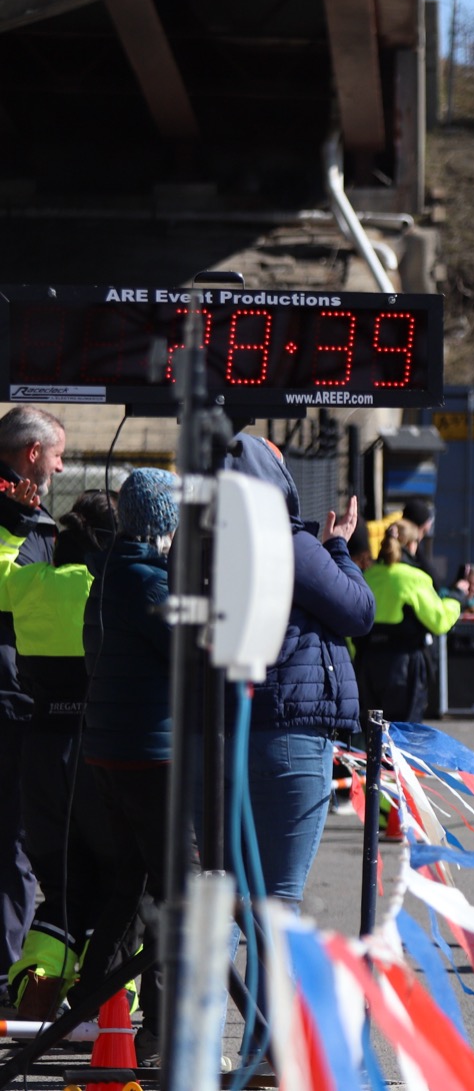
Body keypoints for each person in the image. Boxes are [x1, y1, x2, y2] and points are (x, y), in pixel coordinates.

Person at [223, 436, 373, 909]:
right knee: (277, 898)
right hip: (288, 731)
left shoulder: (199, 543)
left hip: (216, 730)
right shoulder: (289, 544)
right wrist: (338, 548)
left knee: (225, 894)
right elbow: (358, 612)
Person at [75, 469, 184, 1060]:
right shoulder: (151, 585)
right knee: (174, 891)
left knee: (129, 881)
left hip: (108, 750)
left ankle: (89, 1005)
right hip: (151, 756)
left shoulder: (106, 578)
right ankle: (161, 1029)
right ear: (166, 521)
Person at [0, 491, 114, 1018]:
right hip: (96, 753)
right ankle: (110, 998)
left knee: (63, 886)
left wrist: (16, 522)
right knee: (114, 885)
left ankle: (35, 983)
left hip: (41, 751)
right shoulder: (106, 590)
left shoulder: (25, 584)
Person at [0, 405, 61, 968]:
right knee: (13, 842)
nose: (61, 468)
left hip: (17, 694)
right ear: (33, 452)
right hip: (11, 700)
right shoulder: (15, 515)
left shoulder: (26, 511)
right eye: (58, 455)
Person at [358, 521, 461, 723]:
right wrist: (456, 600)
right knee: (406, 731)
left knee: (372, 729)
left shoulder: (367, 576)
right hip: (404, 667)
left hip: (368, 663)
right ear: (412, 545)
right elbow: (439, 621)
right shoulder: (415, 578)